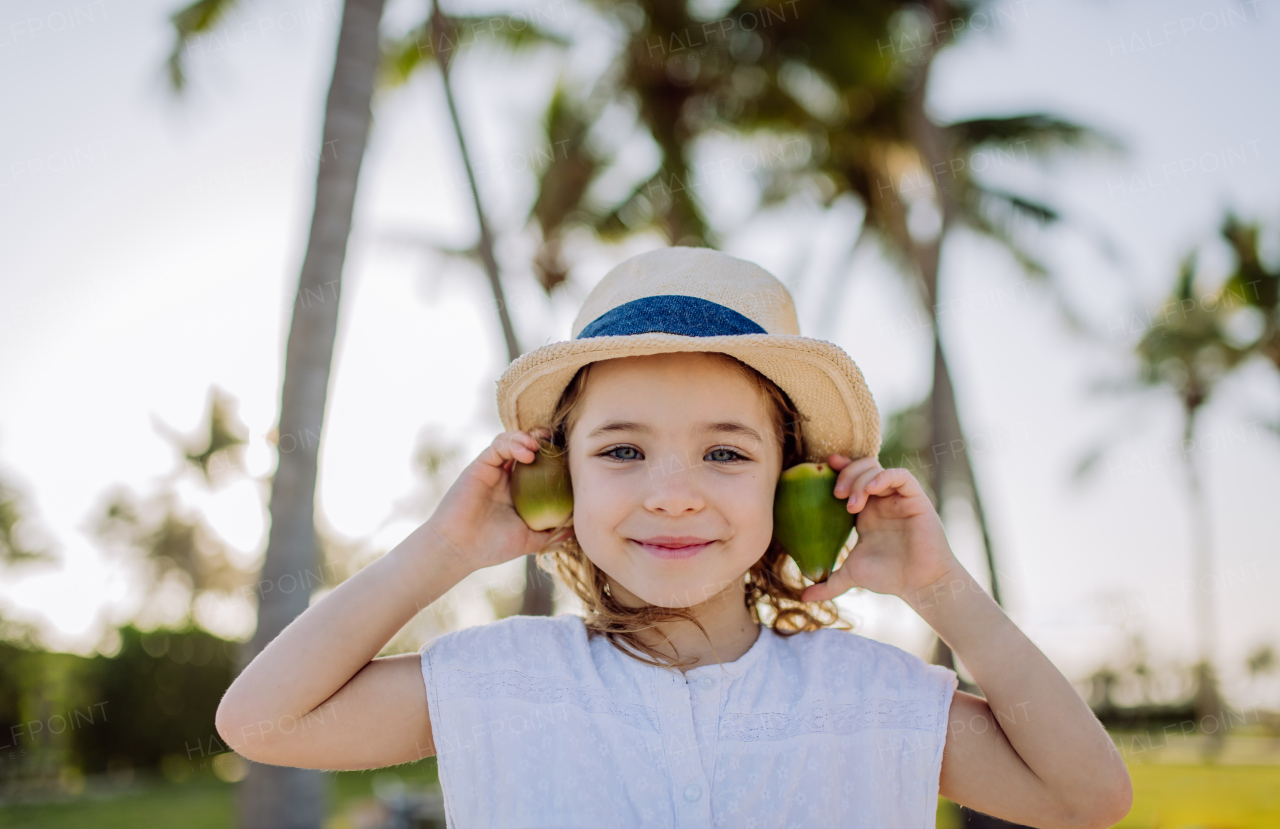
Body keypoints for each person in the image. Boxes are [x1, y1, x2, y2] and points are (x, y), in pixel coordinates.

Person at [215, 247, 1132, 827]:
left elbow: (1086, 796)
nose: (674, 495)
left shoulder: (872, 699)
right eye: (622, 449)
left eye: (726, 453)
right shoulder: (500, 682)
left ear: (792, 478)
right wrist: (444, 550)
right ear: (558, 475)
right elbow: (261, 719)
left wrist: (941, 593)